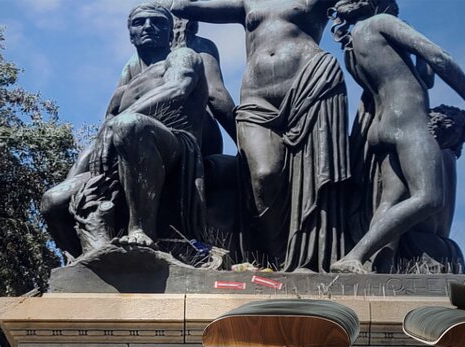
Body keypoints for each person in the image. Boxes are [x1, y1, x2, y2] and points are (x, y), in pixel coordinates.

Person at [171, 0, 351, 272]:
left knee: (314, 173)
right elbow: (183, 7)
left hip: (311, 85)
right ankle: (274, 258)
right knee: (264, 173)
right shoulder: (247, 2)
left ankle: (304, 262)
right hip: (257, 95)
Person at [41, 2, 210, 256]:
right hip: (121, 156)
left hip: (175, 146)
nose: (148, 27)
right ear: (131, 34)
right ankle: (87, 259)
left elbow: (177, 88)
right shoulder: (124, 87)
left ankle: (141, 231)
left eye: (158, 22)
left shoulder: (182, 57)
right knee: (53, 201)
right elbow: (101, 138)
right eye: (139, 22)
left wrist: (118, 121)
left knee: (129, 124)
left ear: (170, 32)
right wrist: (80, 177)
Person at [328, 0, 465, 273]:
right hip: (409, 121)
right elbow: (439, 57)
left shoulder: (353, 44)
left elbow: (425, 78)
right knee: (429, 197)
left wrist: (416, 54)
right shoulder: (380, 23)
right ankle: (354, 256)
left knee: (391, 200)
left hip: (383, 125)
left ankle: (379, 268)